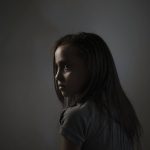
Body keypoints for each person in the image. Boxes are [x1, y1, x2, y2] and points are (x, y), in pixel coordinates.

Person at [52, 32, 142, 150]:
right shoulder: (123, 111)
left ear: (92, 68)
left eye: (66, 67)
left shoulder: (76, 117)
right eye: (56, 67)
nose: (57, 76)